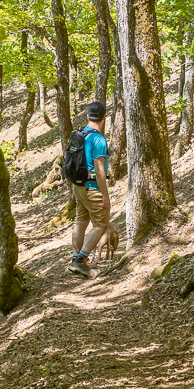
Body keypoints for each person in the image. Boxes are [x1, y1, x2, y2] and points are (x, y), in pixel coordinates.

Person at [68, 101, 114, 277]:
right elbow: (99, 169)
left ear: (88, 116)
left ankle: (75, 258)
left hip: (78, 186)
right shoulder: (99, 139)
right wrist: (105, 195)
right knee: (101, 225)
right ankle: (81, 260)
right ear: (104, 118)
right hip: (92, 187)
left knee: (81, 222)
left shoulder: (79, 134)